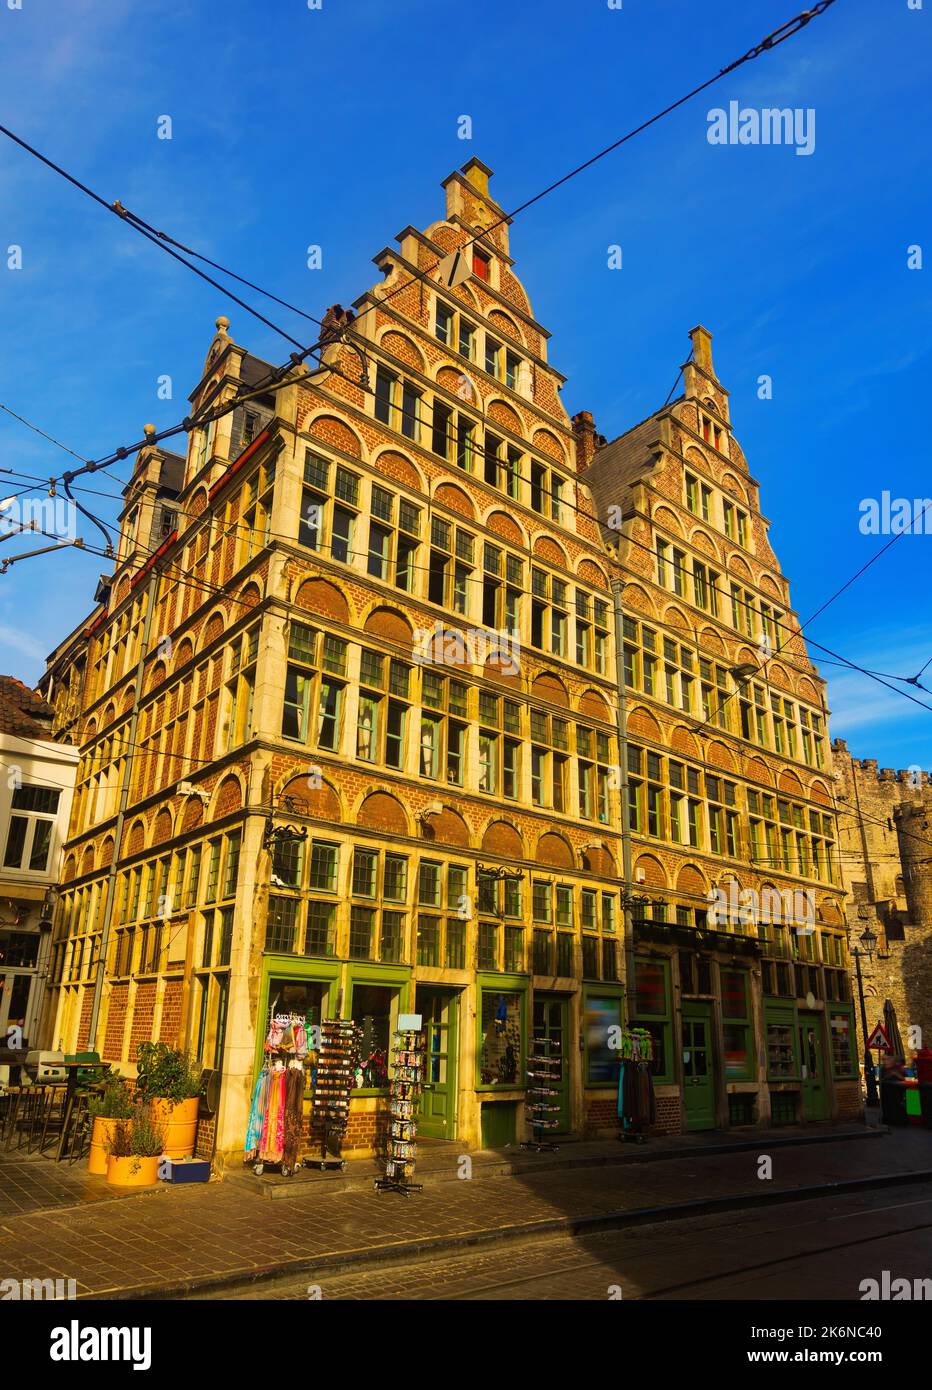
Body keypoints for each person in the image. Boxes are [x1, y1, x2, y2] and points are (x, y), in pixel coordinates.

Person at [880, 1053, 908, 1126]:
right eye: (883, 1060)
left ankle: (899, 1120)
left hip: (897, 1091)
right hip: (888, 1091)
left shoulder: (899, 1068)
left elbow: (904, 1078)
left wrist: (896, 1075)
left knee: (897, 1105)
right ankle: (890, 1120)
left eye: (887, 1059)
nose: (885, 1061)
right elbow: (882, 1079)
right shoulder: (883, 1069)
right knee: (889, 1105)